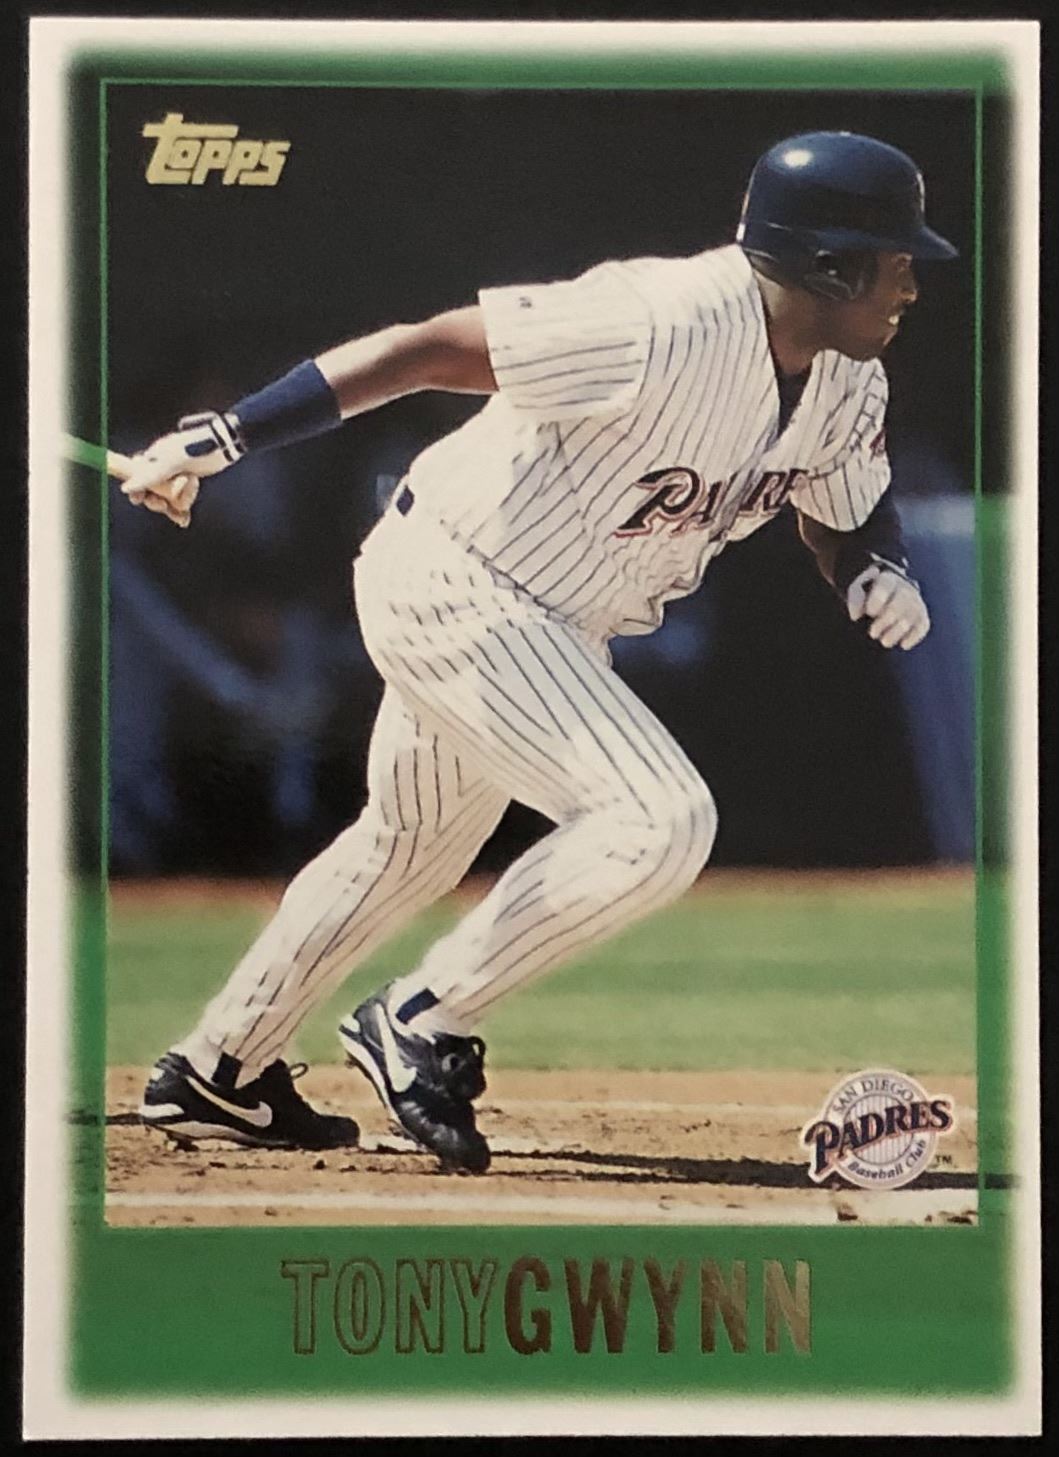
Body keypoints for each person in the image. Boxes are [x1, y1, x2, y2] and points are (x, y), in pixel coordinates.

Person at [128, 131, 955, 1172]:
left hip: (553, 618)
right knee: (658, 817)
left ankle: (217, 1068)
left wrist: (874, 566)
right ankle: (421, 1017)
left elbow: (844, 504)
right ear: (829, 267)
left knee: (406, 846)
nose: (910, 286)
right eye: (894, 261)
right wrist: (233, 433)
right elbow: (426, 348)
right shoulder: (659, 318)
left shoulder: (845, 379)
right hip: (457, 577)